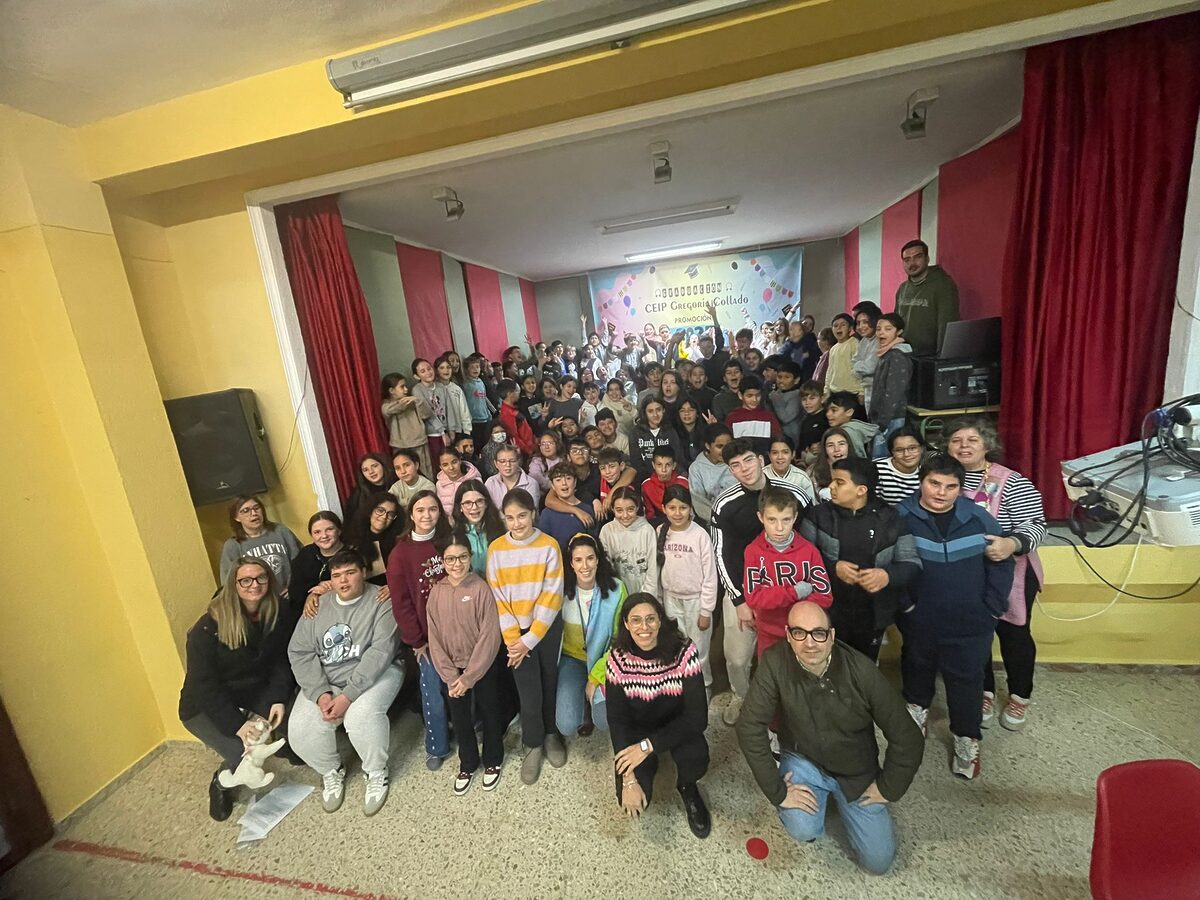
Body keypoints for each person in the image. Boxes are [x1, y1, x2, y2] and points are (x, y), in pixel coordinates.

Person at [737, 601, 925, 875]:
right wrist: (777, 791)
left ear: (832, 635)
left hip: (856, 772)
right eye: (799, 633)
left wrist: (888, 788)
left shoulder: (861, 671)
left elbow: (908, 737)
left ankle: (838, 800)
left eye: (818, 633)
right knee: (802, 828)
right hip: (804, 761)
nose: (809, 643)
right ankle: (817, 801)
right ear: (788, 635)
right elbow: (749, 726)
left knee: (878, 862)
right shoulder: (775, 662)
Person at [896, 455, 1014, 780]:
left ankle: (966, 738)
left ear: (960, 488)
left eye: (951, 486)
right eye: (934, 483)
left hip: (971, 622)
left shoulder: (978, 517)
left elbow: (1002, 562)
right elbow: (888, 564)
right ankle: (916, 714)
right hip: (919, 619)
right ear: (921, 481)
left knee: (967, 681)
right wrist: (905, 606)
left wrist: (992, 607)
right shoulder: (900, 517)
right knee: (916, 667)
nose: (941, 492)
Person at [945, 417, 1046, 731]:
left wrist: (1011, 543)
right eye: (956, 440)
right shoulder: (944, 478)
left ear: (986, 444)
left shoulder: (1011, 481)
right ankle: (984, 691)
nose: (964, 446)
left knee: (1014, 635)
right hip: (965, 574)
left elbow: (1036, 525)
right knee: (976, 635)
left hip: (1011, 571)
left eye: (972, 440)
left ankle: (1020, 695)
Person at [180, 557, 299, 821]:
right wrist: (238, 725)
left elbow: (281, 659)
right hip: (204, 705)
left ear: (269, 581)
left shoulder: (277, 611)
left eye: (261, 578)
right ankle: (220, 784)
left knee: (293, 722)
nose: (254, 585)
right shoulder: (206, 629)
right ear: (233, 584)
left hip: (251, 689)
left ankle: (284, 744)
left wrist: (278, 697)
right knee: (242, 754)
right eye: (245, 580)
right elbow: (204, 686)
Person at [288, 550, 403, 816]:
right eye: (337, 575)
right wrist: (320, 694)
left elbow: (381, 652)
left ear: (363, 573)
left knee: (360, 717)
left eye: (350, 573)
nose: (343, 581)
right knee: (300, 730)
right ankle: (331, 770)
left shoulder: (381, 600)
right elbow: (300, 652)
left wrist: (347, 696)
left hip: (376, 673)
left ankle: (376, 771)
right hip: (328, 677)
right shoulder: (317, 605)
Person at [710, 438, 813, 726]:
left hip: (788, 590)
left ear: (760, 459)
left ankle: (789, 698)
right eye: (735, 465)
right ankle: (741, 695)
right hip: (742, 590)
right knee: (738, 658)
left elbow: (811, 541)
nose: (744, 469)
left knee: (790, 651)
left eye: (748, 460)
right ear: (730, 470)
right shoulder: (724, 504)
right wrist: (739, 600)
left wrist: (805, 589)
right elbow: (720, 554)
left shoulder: (794, 494)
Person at [605, 593, 711, 837]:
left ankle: (687, 786)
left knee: (697, 758)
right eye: (636, 620)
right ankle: (649, 765)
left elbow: (697, 718)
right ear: (626, 624)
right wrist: (629, 778)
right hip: (638, 730)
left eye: (651, 619)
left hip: (677, 724)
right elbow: (617, 721)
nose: (644, 627)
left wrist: (647, 747)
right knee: (631, 798)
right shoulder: (617, 659)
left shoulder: (684, 651)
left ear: (661, 620)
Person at [800, 458, 920, 660]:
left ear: (861, 490)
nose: (831, 487)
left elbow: (911, 562)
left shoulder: (891, 518)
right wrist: (833, 568)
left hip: (872, 614)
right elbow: (801, 559)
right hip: (828, 609)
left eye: (839, 482)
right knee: (828, 662)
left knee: (865, 665)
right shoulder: (818, 516)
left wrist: (887, 575)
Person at [487, 488, 566, 784]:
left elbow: (552, 594)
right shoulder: (496, 549)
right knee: (528, 690)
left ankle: (551, 733)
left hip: (545, 628)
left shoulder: (549, 546)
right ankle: (532, 743)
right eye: (510, 518)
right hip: (514, 633)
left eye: (522, 516)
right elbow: (498, 597)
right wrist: (513, 640)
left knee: (549, 680)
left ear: (533, 514)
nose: (517, 523)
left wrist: (530, 639)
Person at [426, 539, 505, 795]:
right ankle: (468, 763)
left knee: (490, 711)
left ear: (470, 558)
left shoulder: (481, 588)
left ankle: (493, 759)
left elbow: (489, 635)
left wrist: (470, 676)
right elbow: (434, 638)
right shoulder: (437, 592)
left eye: (462, 557)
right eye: (450, 559)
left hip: (481, 666)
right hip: (452, 671)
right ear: (443, 562)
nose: (456, 564)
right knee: (460, 718)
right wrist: (451, 677)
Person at [386, 491, 452, 770]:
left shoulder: (448, 541)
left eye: (433, 509)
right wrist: (416, 640)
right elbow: (401, 603)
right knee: (432, 691)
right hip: (426, 637)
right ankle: (437, 745)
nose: (427, 515)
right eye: (421, 510)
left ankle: (470, 726)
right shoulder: (400, 554)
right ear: (411, 515)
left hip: (456, 630)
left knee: (461, 684)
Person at [742, 486, 832, 657]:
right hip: (769, 633)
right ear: (761, 517)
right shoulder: (753, 551)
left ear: (795, 517)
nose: (779, 528)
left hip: (804, 634)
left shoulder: (810, 551)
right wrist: (795, 592)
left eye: (786, 520)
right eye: (772, 520)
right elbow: (754, 598)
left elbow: (825, 597)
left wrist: (793, 611)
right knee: (771, 673)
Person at [557, 534, 626, 739]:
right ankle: (582, 706)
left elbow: (622, 641)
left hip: (604, 660)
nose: (585, 566)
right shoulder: (560, 590)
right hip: (572, 659)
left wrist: (596, 677)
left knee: (605, 720)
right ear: (571, 563)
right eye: (578, 560)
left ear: (598, 559)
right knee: (567, 725)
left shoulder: (616, 589)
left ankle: (591, 701)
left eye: (590, 558)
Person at [656, 485, 718, 694]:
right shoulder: (661, 532)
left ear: (691, 508)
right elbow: (658, 569)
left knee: (699, 648)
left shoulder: (700, 535)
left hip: (696, 601)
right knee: (677, 645)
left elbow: (710, 576)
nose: (677, 513)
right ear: (664, 508)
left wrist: (706, 610)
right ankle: (682, 685)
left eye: (683, 508)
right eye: (672, 508)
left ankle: (704, 686)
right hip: (671, 599)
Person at [218, 496, 302, 590]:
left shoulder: (281, 531)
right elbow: (228, 583)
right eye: (246, 511)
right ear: (236, 517)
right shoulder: (232, 546)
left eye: (257, 508)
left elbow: (301, 561)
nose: (254, 513)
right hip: (257, 597)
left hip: (292, 592)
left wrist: (293, 586)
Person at [895, 239, 960, 356]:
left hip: (930, 356)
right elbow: (896, 323)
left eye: (917, 257)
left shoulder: (943, 285)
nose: (912, 263)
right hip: (905, 353)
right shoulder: (903, 288)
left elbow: (946, 324)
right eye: (907, 260)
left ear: (927, 258)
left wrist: (942, 357)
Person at [869, 312, 914, 457]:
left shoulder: (897, 356)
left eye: (888, 329)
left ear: (899, 332)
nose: (881, 333)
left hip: (891, 418)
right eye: (878, 329)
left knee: (882, 459)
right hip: (883, 417)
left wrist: (882, 423)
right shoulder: (886, 354)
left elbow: (893, 393)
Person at [600, 486, 658, 595]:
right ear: (612, 509)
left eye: (630, 509)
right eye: (619, 510)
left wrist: (646, 597)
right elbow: (605, 567)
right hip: (618, 595)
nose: (625, 515)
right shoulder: (607, 531)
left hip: (643, 595)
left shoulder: (647, 530)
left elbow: (653, 569)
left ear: (637, 507)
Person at [381, 373, 434, 479]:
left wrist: (417, 401)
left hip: (419, 442)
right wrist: (405, 402)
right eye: (402, 387)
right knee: (405, 473)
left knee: (425, 472)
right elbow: (393, 409)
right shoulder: (386, 405)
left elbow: (426, 414)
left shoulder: (414, 401)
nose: (406, 389)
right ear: (391, 390)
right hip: (400, 445)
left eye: (406, 386)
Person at [343, 492, 403, 585]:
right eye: (380, 510)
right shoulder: (353, 539)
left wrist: (393, 585)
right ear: (370, 511)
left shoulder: (398, 540)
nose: (384, 516)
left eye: (390, 514)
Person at [537, 462, 597, 552]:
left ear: (575, 482)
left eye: (568, 478)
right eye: (558, 480)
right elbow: (544, 545)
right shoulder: (547, 513)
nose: (564, 483)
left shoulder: (587, 509)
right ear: (553, 486)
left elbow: (593, 542)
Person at [450, 479, 505, 577]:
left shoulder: (501, 529)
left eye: (479, 501)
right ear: (460, 507)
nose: (474, 507)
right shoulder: (453, 536)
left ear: (486, 503)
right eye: (467, 503)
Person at [289, 511, 346, 604]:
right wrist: (313, 592)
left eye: (329, 529)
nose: (324, 536)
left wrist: (331, 587)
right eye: (317, 532)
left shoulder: (352, 554)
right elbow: (294, 590)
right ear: (311, 535)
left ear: (339, 530)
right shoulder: (305, 554)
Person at [687, 423, 735, 526]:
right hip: (712, 523)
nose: (725, 450)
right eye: (719, 446)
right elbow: (699, 502)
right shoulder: (696, 468)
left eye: (728, 445)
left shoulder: (737, 462)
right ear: (707, 446)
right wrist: (720, 520)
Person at [724, 374, 781, 458]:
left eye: (758, 395)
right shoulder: (732, 418)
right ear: (740, 395)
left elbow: (777, 440)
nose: (754, 399)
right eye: (749, 396)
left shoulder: (768, 417)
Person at [412, 358, 453, 464]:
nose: (428, 372)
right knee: (438, 462)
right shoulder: (417, 390)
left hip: (446, 431)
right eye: (422, 371)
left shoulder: (441, 386)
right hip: (432, 433)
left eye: (429, 368)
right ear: (416, 376)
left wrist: (452, 429)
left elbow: (449, 408)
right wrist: (442, 432)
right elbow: (427, 413)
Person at [631, 397, 683, 478]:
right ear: (645, 413)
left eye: (658, 410)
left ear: (663, 410)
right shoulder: (636, 432)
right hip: (644, 478)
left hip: (668, 476)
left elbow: (677, 457)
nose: (655, 414)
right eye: (650, 411)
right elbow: (636, 461)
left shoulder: (671, 431)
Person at [344, 453, 397, 528]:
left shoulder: (397, 484)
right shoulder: (358, 494)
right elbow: (350, 523)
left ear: (383, 465)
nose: (371, 472)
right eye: (365, 470)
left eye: (374, 466)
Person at [874, 427, 924, 506]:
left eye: (912, 448)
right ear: (892, 453)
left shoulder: (927, 472)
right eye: (899, 450)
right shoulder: (876, 469)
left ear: (921, 449)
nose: (906, 454)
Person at [640, 445, 689, 525]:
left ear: (674, 466)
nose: (663, 470)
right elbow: (649, 514)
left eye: (668, 465)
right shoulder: (646, 485)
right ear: (653, 465)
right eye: (659, 465)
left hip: (681, 519)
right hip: (657, 522)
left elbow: (688, 509)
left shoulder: (683, 483)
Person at [808, 426, 859, 501]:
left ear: (848, 446)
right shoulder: (813, 471)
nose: (836, 449)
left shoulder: (860, 467)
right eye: (830, 445)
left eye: (841, 444)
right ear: (825, 449)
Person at [825, 390, 879, 459]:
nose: (828, 414)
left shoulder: (850, 432)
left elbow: (858, 458)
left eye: (834, 410)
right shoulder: (853, 427)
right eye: (827, 410)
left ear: (849, 412)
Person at [485, 444, 541, 509]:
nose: (507, 465)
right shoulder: (490, 482)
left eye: (512, 461)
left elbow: (530, 510)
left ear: (518, 462)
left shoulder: (531, 483)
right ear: (496, 464)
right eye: (502, 461)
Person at [435, 355, 473, 443]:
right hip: (442, 432)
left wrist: (467, 431)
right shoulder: (434, 389)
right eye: (442, 368)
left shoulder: (456, 389)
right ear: (436, 371)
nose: (446, 370)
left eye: (448, 367)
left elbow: (464, 411)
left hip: (457, 429)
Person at [462, 355, 497, 448]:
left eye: (477, 366)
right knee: (477, 444)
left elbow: (484, 398)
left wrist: (492, 411)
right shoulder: (466, 385)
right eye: (472, 367)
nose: (475, 369)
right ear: (466, 370)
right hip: (474, 420)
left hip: (485, 418)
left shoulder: (481, 382)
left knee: (486, 443)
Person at [435, 446, 482, 516]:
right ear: (440, 467)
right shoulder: (439, 484)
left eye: (454, 462)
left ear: (460, 461)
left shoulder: (475, 481)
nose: (451, 467)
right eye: (445, 465)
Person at [850, 305, 881, 410]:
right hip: (867, 388)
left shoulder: (879, 340)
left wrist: (858, 365)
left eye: (865, 322)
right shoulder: (863, 341)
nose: (861, 326)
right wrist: (859, 365)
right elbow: (853, 366)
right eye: (858, 323)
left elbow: (870, 367)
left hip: (879, 391)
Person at [824, 314, 862, 397]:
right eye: (835, 326)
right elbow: (830, 371)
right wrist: (826, 390)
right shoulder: (833, 348)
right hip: (834, 391)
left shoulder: (854, 343)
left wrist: (861, 391)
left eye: (843, 325)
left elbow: (860, 369)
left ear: (850, 328)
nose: (839, 328)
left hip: (851, 392)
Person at [496, 379, 535, 457]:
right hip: (524, 452)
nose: (519, 394)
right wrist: (528, 451)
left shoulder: (513, 409)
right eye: (517, 391)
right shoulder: (507, 414)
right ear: (510, 394)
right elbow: (514, 437)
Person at [796, 381, 827, 467]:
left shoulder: (827, 418)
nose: (807, 403)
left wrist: (822, 447)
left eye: (812, 398)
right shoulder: (805, 420)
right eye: (804, 399)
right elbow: (801, 443)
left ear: (822, 398)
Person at [528, 431, 564, 497]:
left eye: (550, 443)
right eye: (543, 444)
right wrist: (553, 487)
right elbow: (535, 476)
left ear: (557, 445)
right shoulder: (536, 461)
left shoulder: (563, 460)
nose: (546, 447)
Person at [675, 397, 706, 467]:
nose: (686, 413)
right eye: (682, 410)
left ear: (697, 414)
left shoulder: (705, 432)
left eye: (691, 410)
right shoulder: (674, 433)